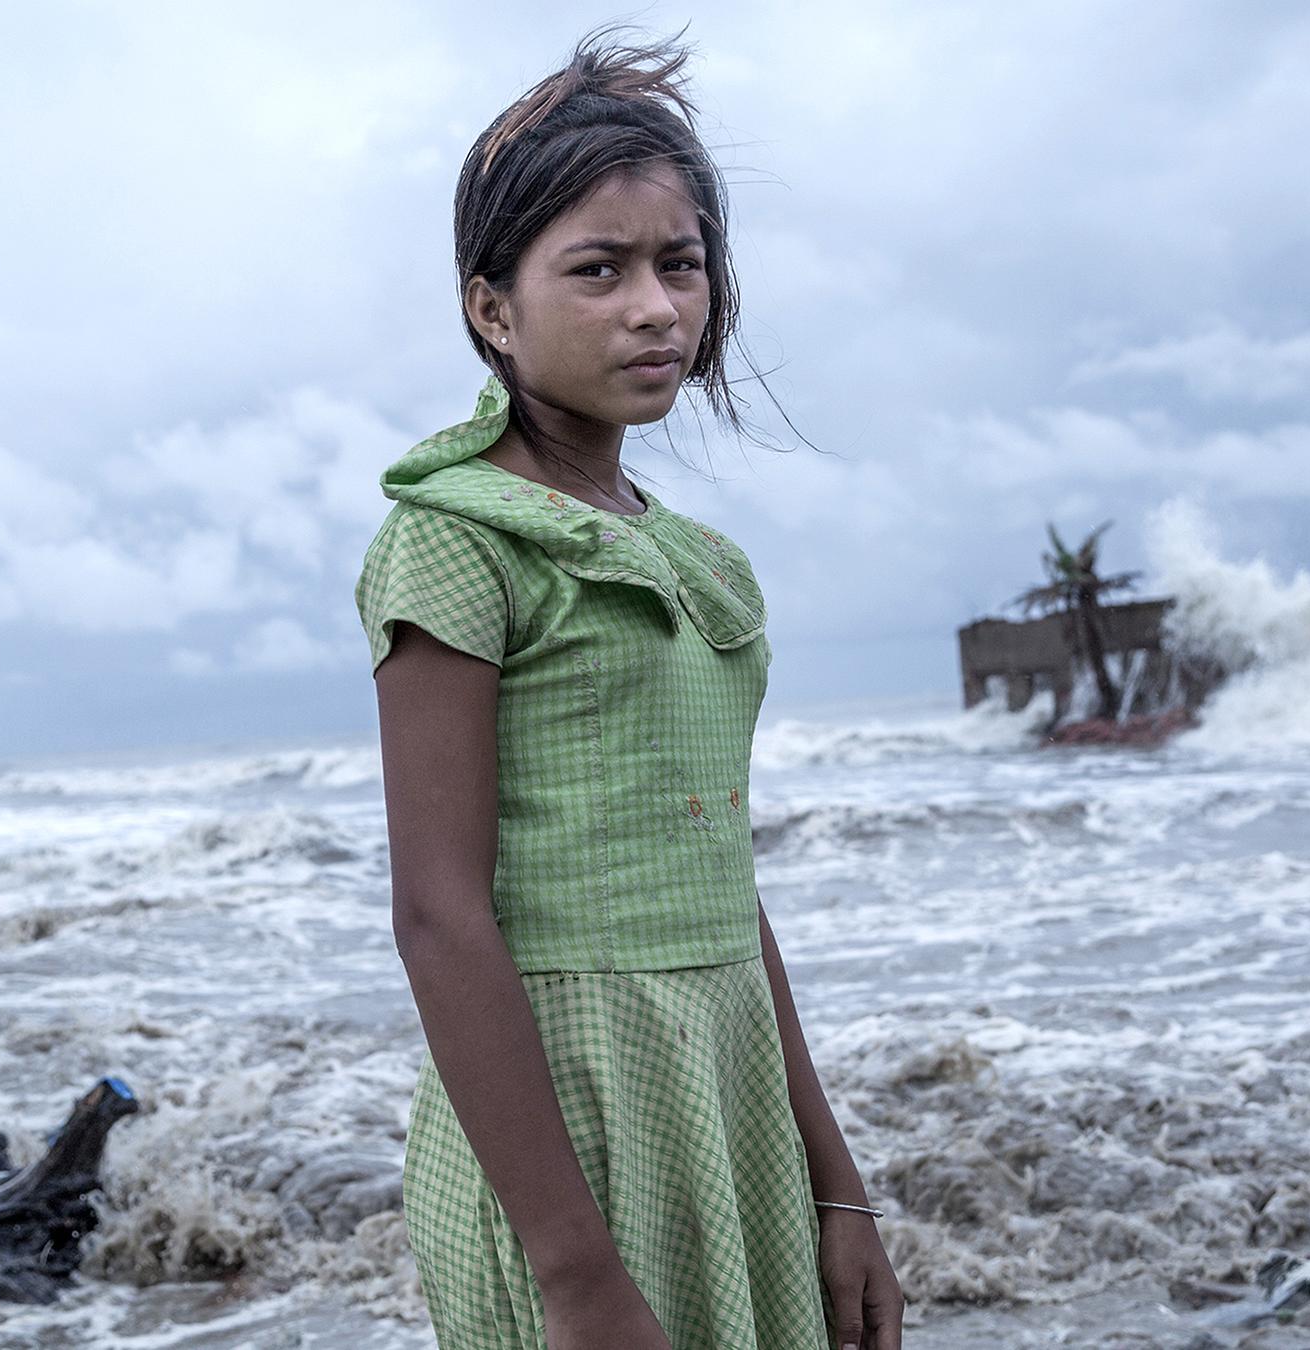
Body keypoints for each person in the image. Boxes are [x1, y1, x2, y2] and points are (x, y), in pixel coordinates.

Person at [356, 33, 902, 1350]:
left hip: (727, 1096)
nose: (655, 307)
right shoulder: (457, 540)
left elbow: (725, 888)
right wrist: (577, 1275)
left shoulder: (700, 561)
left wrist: (836, 1183)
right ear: (493, 309)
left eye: (681, 263)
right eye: (597, 270)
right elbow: (439, 915)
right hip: (569, 1118)